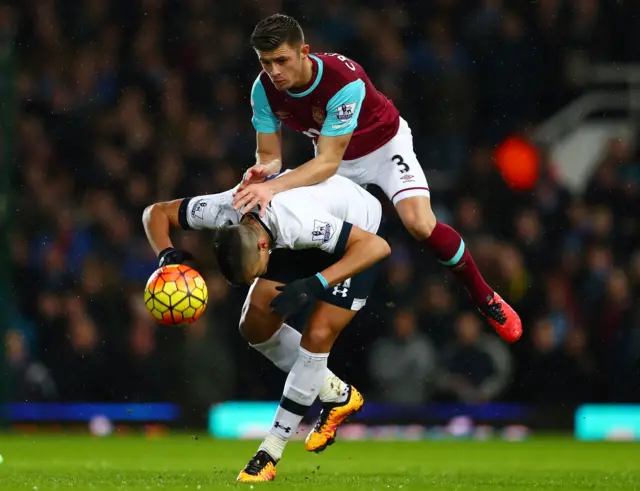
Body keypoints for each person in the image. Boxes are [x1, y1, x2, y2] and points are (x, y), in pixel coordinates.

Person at [232, 13, 522, 344]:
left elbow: (327, 162)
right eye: (266, 62)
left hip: (383, 147)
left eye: (281, 60)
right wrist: (262, 170)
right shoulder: (263, 90)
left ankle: (485, 297)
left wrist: (272, 185)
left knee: (420, 224)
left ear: (304, 52)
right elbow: (270, 155)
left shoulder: (342, 80)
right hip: (336, 159)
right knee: (317, 234)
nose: (274, 72)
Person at [142, 171, 390, 482]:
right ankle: (336, 394)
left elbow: (377, 247)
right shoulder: (226, 208)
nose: (253, 281)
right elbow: (155, 213)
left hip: (358, 234)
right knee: (254, 325)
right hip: (297, 236)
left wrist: (316, 284)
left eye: (253, 273)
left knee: (317, 334)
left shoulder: (299, 222)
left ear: (262, 247)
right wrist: (166, 255)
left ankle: (269, 453)